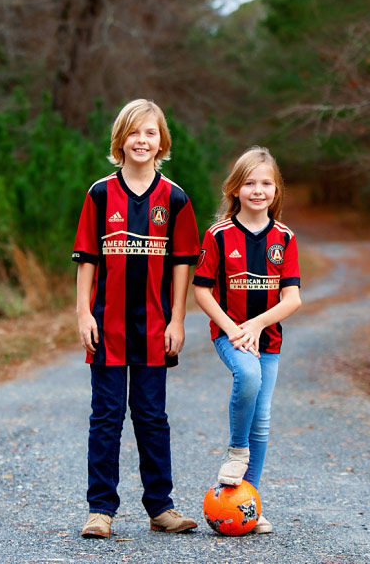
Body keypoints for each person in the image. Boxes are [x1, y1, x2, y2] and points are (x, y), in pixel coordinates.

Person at [73, 99, 201, 538]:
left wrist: (178, 320)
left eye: (150, 133)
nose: (142, 141)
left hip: (153, 329)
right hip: (106, 328)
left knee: (151, 416)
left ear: (161, 141)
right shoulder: (100, 194)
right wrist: (83, 311)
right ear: (120, 141)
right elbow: (87, 257)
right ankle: (100, 510)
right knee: (105, 416)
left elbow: (184, 263)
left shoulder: (176, 199)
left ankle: (160, 507)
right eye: (134, 133)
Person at [193, 146, 302, 535]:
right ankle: (236, 451)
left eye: (266, 183)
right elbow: (202, 291)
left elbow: (293, 298)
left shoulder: (284, 239)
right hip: (230, 335)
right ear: (235, 189)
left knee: (263, 418)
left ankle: (247, 503)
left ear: (276, 190)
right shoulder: (218, 235)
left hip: (266, 337)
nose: (258, 190)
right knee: (249, 378)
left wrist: (255, 325)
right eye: (249, 183)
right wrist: (233, 329)